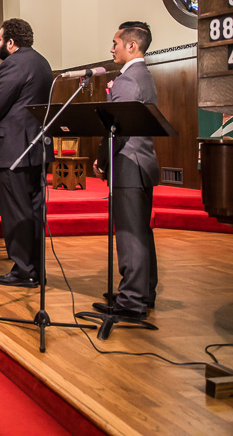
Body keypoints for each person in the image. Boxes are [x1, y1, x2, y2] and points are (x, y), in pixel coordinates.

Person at [91, 22, 160, 320]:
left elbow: (116, 128)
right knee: (140, 230)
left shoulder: (128, 79)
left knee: (130, 233)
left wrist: (102, 161)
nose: (111, 49)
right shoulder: (144, 76)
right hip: (141, 162)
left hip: (128, 164)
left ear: (131, 45)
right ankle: (144, 290)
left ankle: (132, 300)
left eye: (115, 43)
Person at [0, 19, 54, 287]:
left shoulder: (13, 64)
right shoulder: (42, 62)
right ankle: (35, 268)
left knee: (16, 213)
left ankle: (23, 270)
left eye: (1, 40)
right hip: (36, 147)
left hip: (14, 148)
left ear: (11, 42)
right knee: (33, 211)